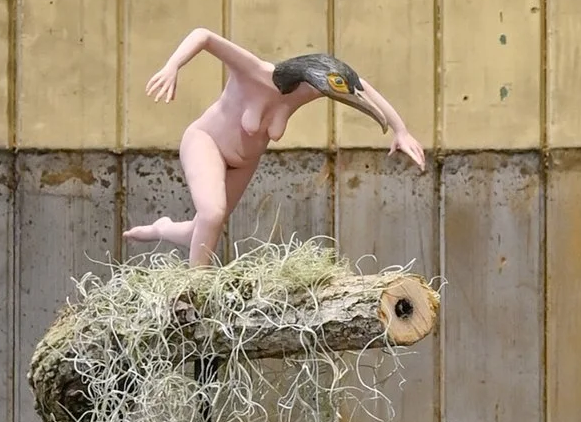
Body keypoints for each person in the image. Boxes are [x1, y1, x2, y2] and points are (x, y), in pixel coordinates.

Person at [124, 32, 426, 266]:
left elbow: (360, 84)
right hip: (206, 143)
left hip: (244, 162)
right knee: (212, 215)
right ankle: (191, 292)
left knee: (199, 231)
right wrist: (173, 66)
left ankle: (161, 229)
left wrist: (400, 130)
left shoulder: (307, 91)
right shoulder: (256, 71)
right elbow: (204, 36)